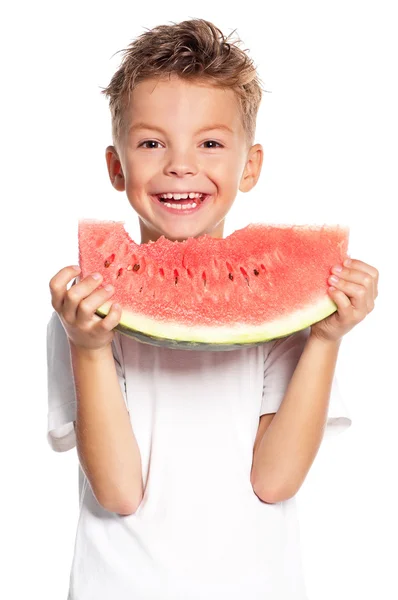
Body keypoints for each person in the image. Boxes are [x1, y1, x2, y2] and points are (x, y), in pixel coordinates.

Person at [46, 18, 379, 600]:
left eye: (210, 143)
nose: (180, 164)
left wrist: (326, 338)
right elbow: (120, 492)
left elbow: (275, 480)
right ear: (116, 166)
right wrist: (89, 347)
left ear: (248, 165)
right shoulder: (83, 312)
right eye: (152, 142)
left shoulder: (290, 314)